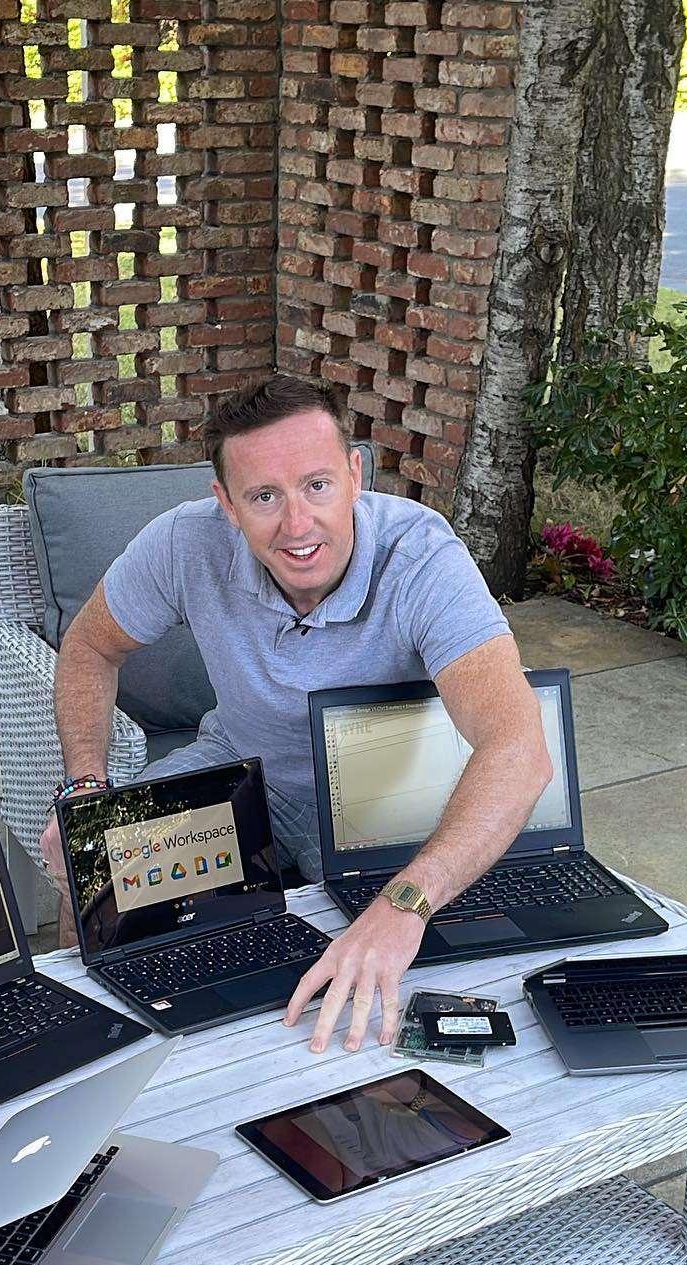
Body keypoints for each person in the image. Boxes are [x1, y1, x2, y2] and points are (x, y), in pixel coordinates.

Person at [38, 374, 552, 1054]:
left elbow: (518, 748)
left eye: (317, 485)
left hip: (380, 801)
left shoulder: (423, 558)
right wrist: (84, 787)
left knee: (386, 991)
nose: (297, 524)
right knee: (94, 879)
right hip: (240, 774)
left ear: (355, 473)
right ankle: (102, 1064)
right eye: (263, 496)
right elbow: (90, 646)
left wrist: (407, 904)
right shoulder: (184, 542)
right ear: (225, 503)